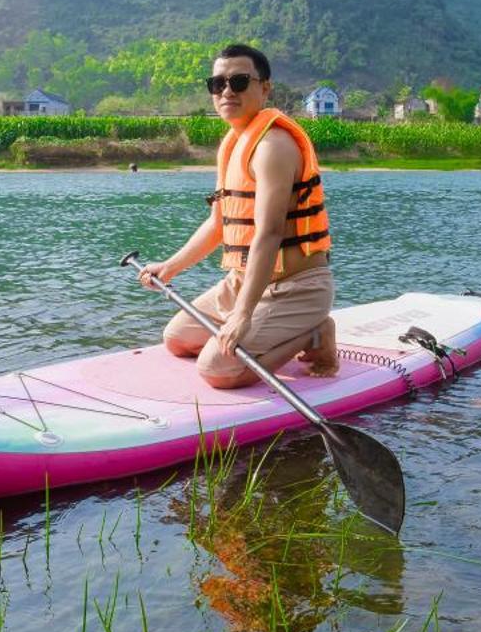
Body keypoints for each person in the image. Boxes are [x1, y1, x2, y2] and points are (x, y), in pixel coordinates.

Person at [137, 43, 337, 388]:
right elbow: (219, 223)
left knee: (219, 370)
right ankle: (264, 324)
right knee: (177, 339)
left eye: (239, 82)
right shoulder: (234, 143)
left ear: (264, 87)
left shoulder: (273, 146)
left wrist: (243, 314)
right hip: (242, 281)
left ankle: (315, 333)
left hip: (296, 289)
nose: (227, 91)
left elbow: (269, 233)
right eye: (218, 84)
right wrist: (170, 267)